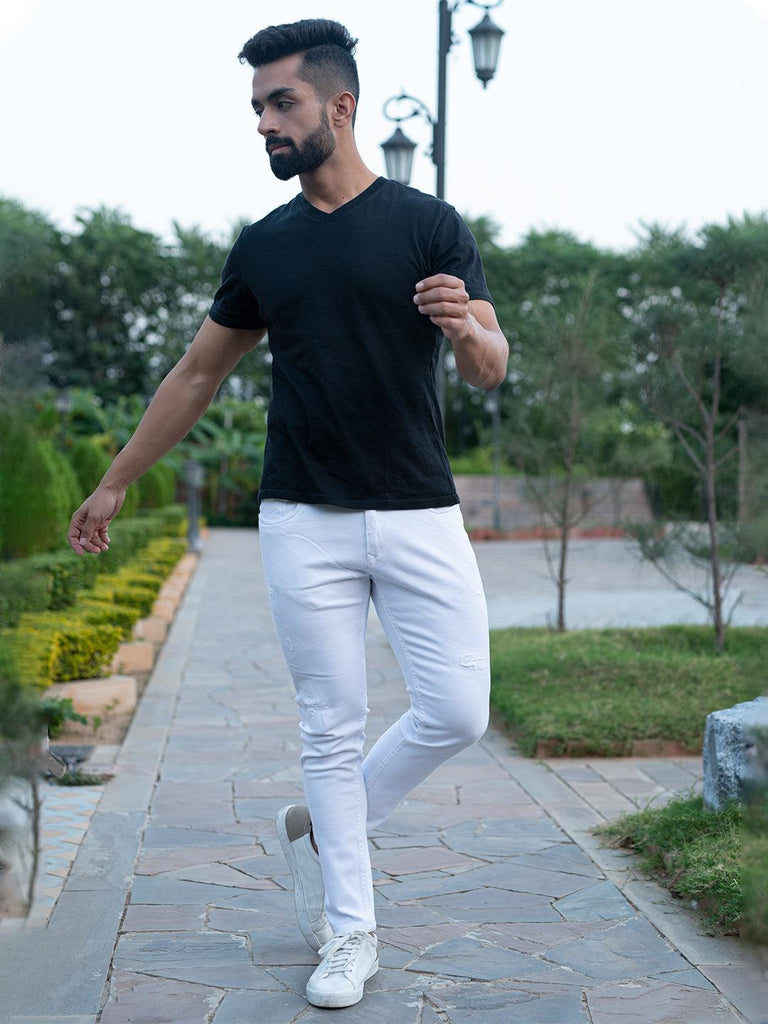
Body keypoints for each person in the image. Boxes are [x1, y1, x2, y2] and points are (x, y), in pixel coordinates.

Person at [67, 18, 507, 1011]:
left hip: (418, 506)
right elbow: (197, 372)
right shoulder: (266, 245)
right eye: (258, 107)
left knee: (457, 711)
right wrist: (117, 478)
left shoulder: (429, 224)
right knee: (330, 725)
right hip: (304, 515)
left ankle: (317, 826)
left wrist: (465, 329)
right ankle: (351, 929)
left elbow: (490, 362)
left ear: (339, 108)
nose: (265, 122)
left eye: (282, 103)